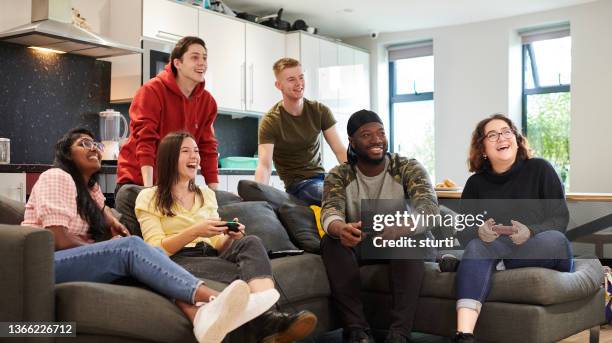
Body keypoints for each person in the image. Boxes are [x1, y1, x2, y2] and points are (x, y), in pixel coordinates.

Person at [21, 128, 275, 343]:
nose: (94, 149)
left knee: (145, 262)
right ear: (66, 154)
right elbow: (57, 239)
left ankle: (199, 316)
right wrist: (109, 248)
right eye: (83, 143)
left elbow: (98, 216)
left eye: (96, 144)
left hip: (73, 261)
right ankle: (218, 301)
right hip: (42, 265)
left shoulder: (91, 191)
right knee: (132, 246)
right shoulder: (57, 176)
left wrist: (108, 221)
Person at [134, 131, 318, 343]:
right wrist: (195, 230)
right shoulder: (148, 197)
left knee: (250, 241)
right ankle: (270, 323)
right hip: (179, 260)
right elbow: (154, 251)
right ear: (168, 157)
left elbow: (218, 244)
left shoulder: (206, 194)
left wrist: (230, 237)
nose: (194, 156)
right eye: (185, 151)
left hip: (212, 254)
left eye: (196, 151)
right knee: (246, 276)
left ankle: (271, 319)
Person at [320, 110, 439, 343]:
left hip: (403, 240)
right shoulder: (339, 175)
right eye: (367, 135)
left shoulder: (407, 167)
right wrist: (339, 228)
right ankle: (358, 331)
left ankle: (399, 334)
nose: (376, 140)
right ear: (352, 142)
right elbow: (330, 211)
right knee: (330, 242)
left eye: (381, 133)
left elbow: (429, 209)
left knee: (410, 241)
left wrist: (403, 227)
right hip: (363, 242)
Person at [452, 114, 573, 343]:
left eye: (507, 131)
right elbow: (463, 231)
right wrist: (478, 231)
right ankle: (464, 335)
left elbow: (560, 218)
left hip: (539, 248)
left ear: (516, 140)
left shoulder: (540, 169)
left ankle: (491, 264)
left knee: (556, 240)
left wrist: (531, 231)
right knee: (478, 246)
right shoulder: (475, 184)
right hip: (497, 248)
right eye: (492, 135)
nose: (501, 137)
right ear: (483, 149)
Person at [116, 36, 219, 191]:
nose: (202, 63)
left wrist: (215, 193)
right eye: (195, 57)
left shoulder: (207, 102)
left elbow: (207, 148)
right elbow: (145, 141)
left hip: (175, 187)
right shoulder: (151, 91)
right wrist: (149, 191)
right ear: (177, 63)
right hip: (138, 183)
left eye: (204, 58)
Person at [254, 57, 347, 206]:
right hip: (298, 186)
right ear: (278, 85)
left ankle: (384, 228)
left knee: (354, 194)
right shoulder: (271, 121)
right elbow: (264, 166)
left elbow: (340, 151)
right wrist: (257, 198)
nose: (299, 83)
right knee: (333, 196)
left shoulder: (319, 111)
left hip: (323, 178)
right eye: (291, 79)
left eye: (301, 77)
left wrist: (358, 182)